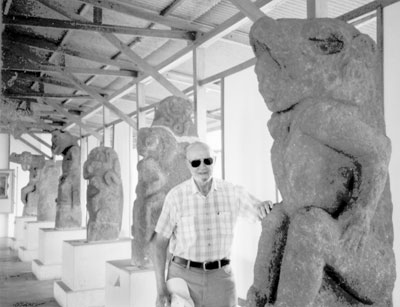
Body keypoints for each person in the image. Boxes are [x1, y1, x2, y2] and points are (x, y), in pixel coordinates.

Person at [150, 141, 274, 307]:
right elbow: (159, 244)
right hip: (182, 278)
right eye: (196, 162)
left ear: (214, 160)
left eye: (207, 160)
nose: (202, 167)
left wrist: (264, 206)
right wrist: (160, 289)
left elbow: (259, 210)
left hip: (221, 280)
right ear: (188, 164)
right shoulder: (175, 197)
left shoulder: (232, 192)